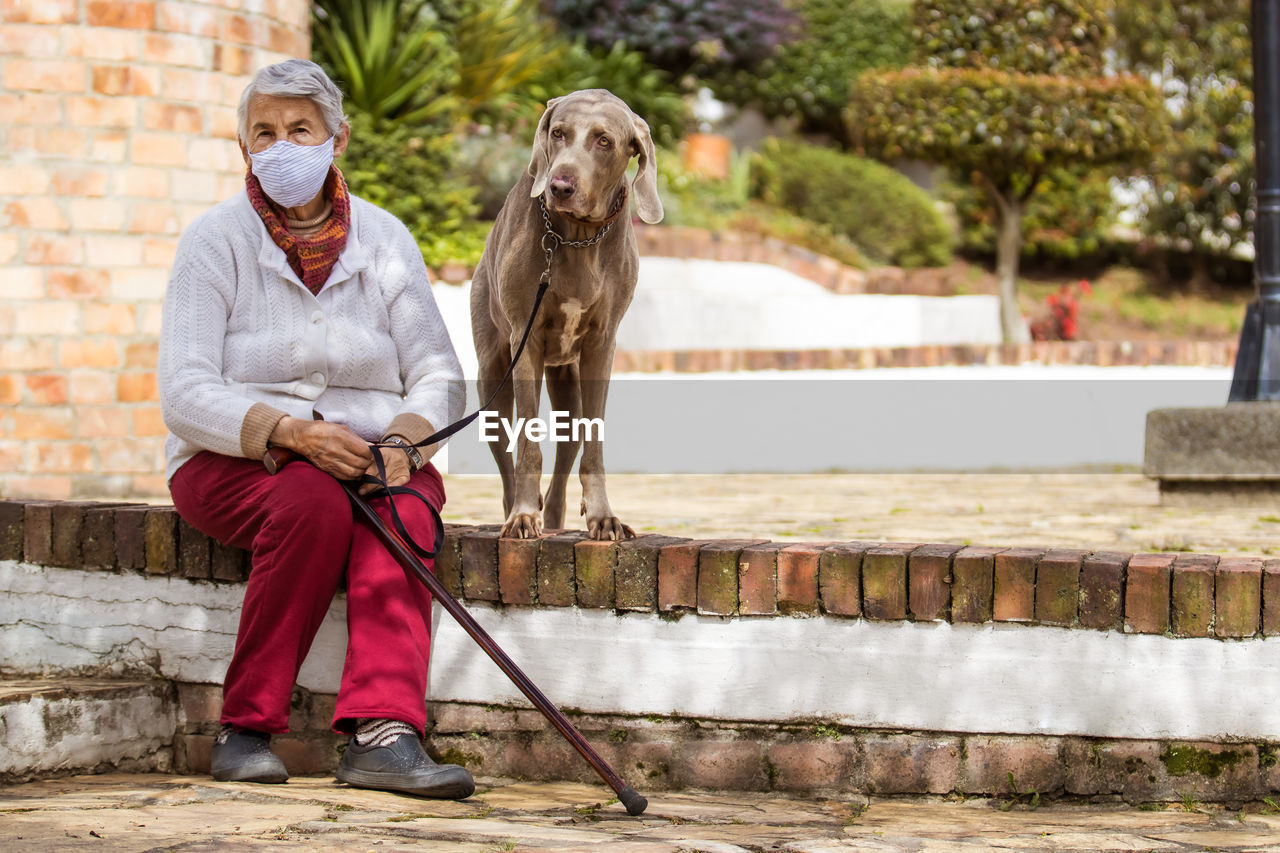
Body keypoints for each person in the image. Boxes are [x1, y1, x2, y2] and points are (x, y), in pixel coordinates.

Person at [158, 59, 472, 799]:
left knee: (405, 506)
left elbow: (439, 373)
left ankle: (384, 736)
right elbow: (184, 390)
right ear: (244, 149)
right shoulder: (213, 242)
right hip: (230, 456)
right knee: (312, 500)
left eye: (300, 128)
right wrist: (290, 433)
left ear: (337, 138)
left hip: (371, 453)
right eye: (263, 132)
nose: (281, 144)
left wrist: (403, 442)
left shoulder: (387, 239)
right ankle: (245, 726)